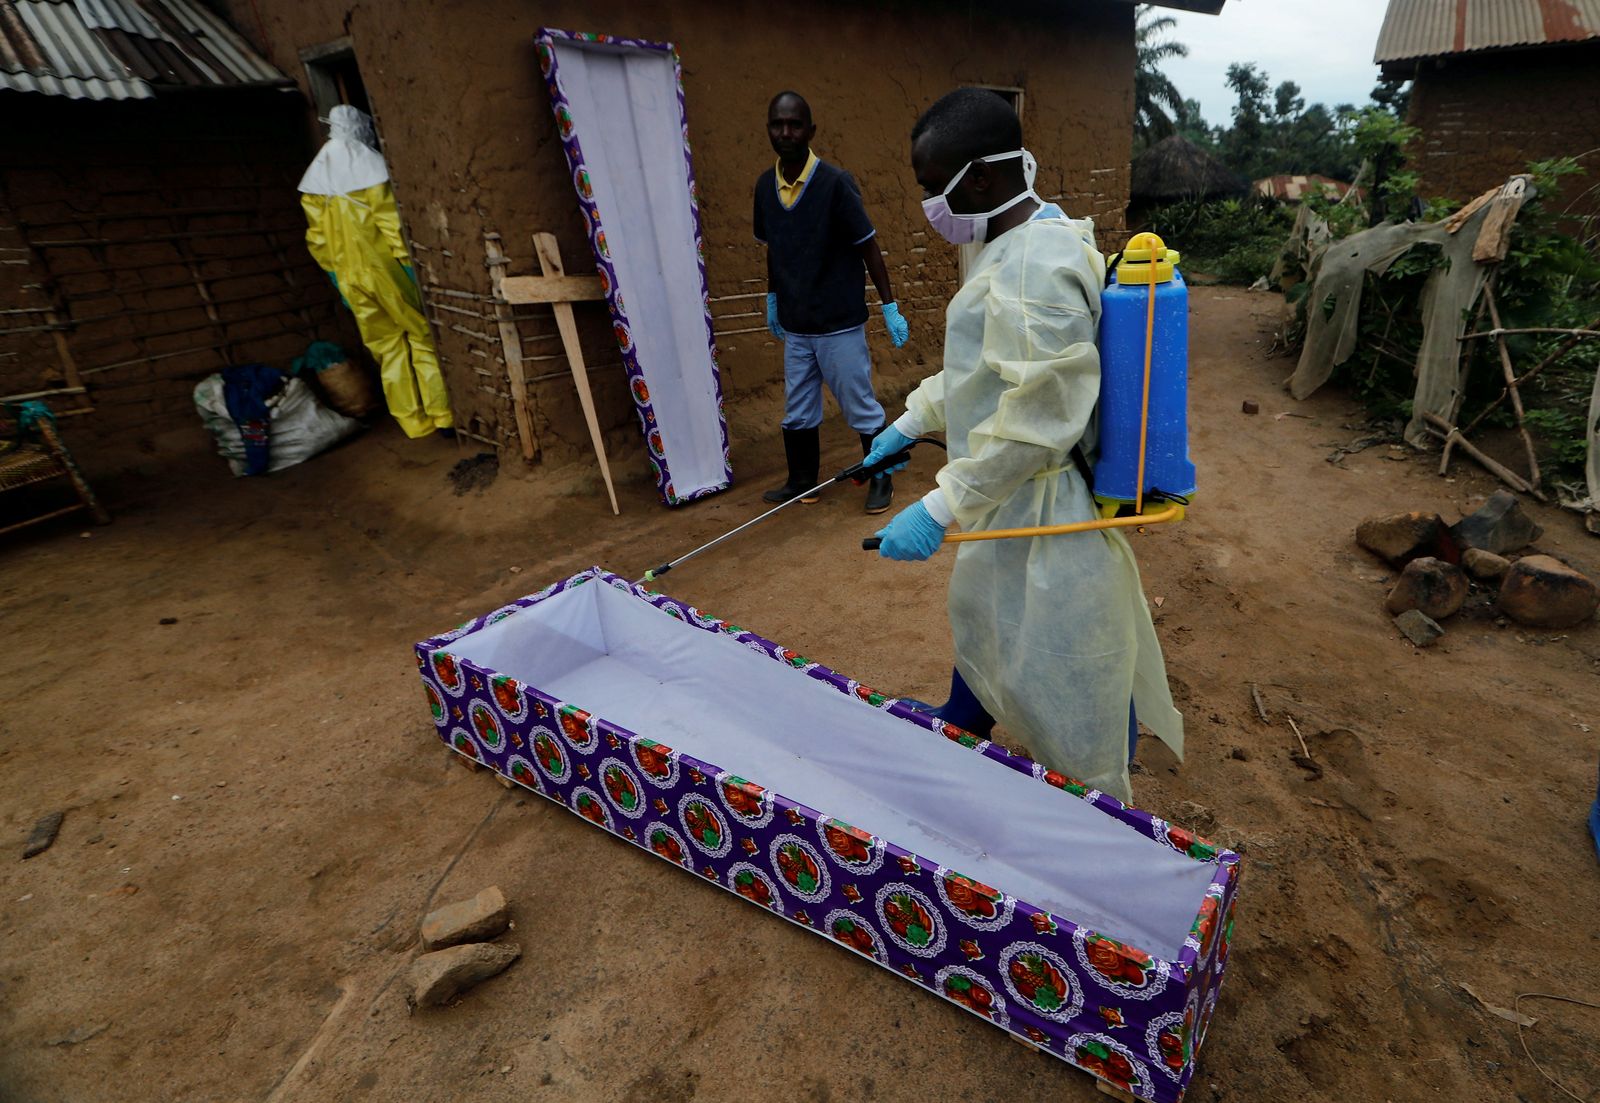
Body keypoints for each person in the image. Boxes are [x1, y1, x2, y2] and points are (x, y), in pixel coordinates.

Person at [863, 88, 1182, 804]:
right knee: (986, 609)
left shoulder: (1035, 272)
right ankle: (963, 718)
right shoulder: (1012, 241)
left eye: (929, 185)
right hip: (1003, 491)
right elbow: (984, 371)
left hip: (1044, 493)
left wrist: (942, 504)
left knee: (1075, 652)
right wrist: (910, 422)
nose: (927, 204)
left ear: (976, 178)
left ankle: (1099, 800)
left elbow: (1040, 418)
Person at [754, 91, 909, 514]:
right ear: (768, 129)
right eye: (777, 124)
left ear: (811, 131)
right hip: (797, 324)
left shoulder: (835, 184)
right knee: (798, 409)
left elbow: (868, 247)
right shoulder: (766, 188)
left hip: (839, 322)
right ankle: (803, 481)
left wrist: (888, 305)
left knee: (859, 404)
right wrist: (773, 296)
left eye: (794, 124)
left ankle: (882, 478)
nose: (785, 133)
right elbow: (773, 248)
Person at [300, 105, 453, 439]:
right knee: (422, 338)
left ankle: (413, 422)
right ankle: (443, 416)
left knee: (387, 349)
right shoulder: (368, 170)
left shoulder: (315, 183)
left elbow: (317, 240)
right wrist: (410, 269)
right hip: (386, 273)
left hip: (349, 279)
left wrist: (335, 278)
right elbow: (392, 226)